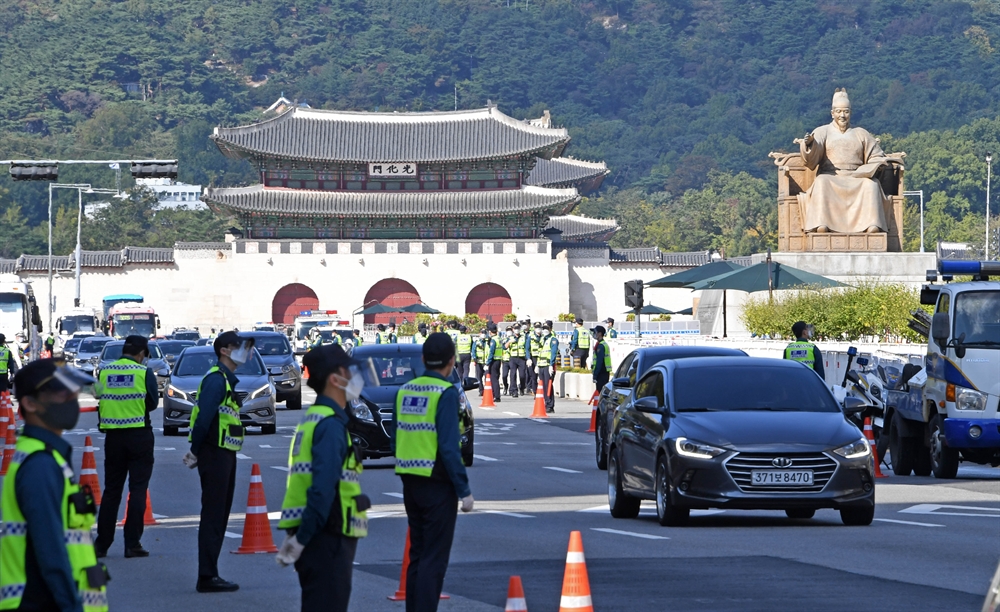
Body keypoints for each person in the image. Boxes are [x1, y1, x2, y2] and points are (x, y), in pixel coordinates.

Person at [3, 359, 108, 611]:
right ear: (29, 403)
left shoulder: (49, 456)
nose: (72, 397)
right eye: (61, 392)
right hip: (41, 602)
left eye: (73, 391)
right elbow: (50, 550)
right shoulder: (40, 464)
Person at [277, 344, 374, 612]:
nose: (356, 376)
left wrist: (297, 534)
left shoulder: (315, 419)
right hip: (328, 536)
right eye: (349, 370)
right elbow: (322, 488)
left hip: (316, 533)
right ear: (335, 379)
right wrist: (302, 537)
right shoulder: (330, 425)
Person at [394, 333, 473, 612]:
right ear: (452, 361)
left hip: (409, 480)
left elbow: (396, 437)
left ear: (423, 359)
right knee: (434, 559)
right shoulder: (445, 392)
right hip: (437, 483)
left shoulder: (406, 390)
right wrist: (464, 490)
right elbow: (450, 447)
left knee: (418, 553)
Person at [182, 331, 254, 593]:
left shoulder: (225, 380)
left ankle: (210, 573)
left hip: (223, 452)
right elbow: (203, 419)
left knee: (219, 514)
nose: (244, 352)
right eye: (238, 347)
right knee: (213, 515)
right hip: (214, 454)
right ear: (224, 350)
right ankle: (207, 575)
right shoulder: (216, 380)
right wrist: (195, 451)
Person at [795, 88, 898, 234]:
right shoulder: (822, 131)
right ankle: (822, 224)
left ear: (850, 112)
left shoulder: (861, 133)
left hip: (856, 176)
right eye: (838, 112)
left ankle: (872, 225)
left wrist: (876, 164)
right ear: (832, 113)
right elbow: (811, 160)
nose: (842, 116)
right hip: (831, 176)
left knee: (872, 185)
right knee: (821, 182)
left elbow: (876, 155)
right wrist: (810, 145)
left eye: (846, 112)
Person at [94, 335, 159, 559]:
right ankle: (132, 544)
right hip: (139, 435)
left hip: (113, 438)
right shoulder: (143, 373)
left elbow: (99, 399)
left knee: (111, 492)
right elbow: (152, 402)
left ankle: (101, 545)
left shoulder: (105, 372)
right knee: (138, 490)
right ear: (141, 353)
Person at [538, 322, 559, 413]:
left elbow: (553, 353)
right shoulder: (542, 339)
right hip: (541, 365)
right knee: (543, 386)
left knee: (548, 385)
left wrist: (551, 365)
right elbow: (540, 352)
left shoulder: (553, 340)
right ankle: (546, 402)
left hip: (548, 366)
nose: (545, 330)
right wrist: (537, 365)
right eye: (544, 328)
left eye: (547, 328)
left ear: (550, 329)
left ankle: (550, 405)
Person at [506, 326, 524, 398]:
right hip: (513, 358)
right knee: (513, 375)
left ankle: (522, 387)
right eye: (515, 329)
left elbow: (527, 347)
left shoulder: (523, 337)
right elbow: (504, 347)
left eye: (518, 329)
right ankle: (514, 391)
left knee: (522, 375)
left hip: (522, 358)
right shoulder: (510, 338)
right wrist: (509, 342)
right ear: (513, 330)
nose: (517, 330)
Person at [592, 326, 612, 393]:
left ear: (600, 334)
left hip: (601, 373)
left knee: (601, 393)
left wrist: (595, 375)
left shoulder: (601, 346)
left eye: (595, 332)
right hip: (603, 372)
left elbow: (599, 362)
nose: (594, 334)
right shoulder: (601, 344)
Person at [472, 330, 488, 397]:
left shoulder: (488, 341)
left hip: (486, 362)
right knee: (479, 377)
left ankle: (487, 390)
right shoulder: (477, 342)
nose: (483, 334)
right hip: (479, 362)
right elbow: (473, 350)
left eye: (484, 333)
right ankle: (481, 390)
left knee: (487, 377)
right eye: (482, 333)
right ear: (479, 334)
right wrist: (475, 358)